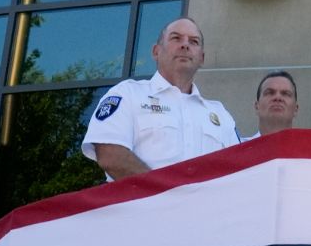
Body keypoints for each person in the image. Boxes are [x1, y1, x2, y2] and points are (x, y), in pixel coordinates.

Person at [82, 17, 239, 180]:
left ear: (202, 58)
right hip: (143, 204)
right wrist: (166, 193)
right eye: (176, 38)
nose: (185, 45)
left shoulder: (220, 114)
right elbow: (110, 156)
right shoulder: (127, 94)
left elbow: (238, 170)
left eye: (194, 42)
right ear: (156, 51)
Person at [249, 70, 299, 140]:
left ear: (296, 109)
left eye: (285, 94)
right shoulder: (238, 149)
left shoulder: (309, 150)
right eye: (270, 93)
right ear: (257, 106)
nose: (277, 98)